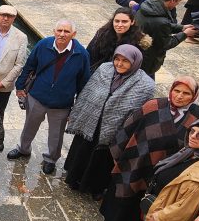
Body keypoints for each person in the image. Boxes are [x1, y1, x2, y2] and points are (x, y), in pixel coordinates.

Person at [102, 76, 199, 221]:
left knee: (150, 201)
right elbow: (128, 128)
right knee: (128, 192)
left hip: (166, 172)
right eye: (176, 91)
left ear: (194, 96)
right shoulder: (152, 106)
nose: (179, 96)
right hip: (137, 161)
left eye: (186, 93)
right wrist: (121, 155)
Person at [63, 45, 154, 196]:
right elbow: (88, 92)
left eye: (125, 61)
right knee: (82, 152)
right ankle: (74, 178)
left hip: (116, 129)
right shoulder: (105, 68)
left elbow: (137, 113)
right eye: (117, 59)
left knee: (102, 160)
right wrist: (77, 112)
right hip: (91, 120)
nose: (119, 64)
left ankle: (94, 188)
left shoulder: (145, 84)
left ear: (135, 62)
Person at [9, 20, 91, 175]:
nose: (62, 34)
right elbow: (29, 65)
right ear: (54, 31)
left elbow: (84, 82)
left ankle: (51, 159)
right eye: (59, 30)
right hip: (37, 96)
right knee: (29, 126)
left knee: (56, 134)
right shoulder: (43, 45)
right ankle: (23, 149)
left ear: (73, 34)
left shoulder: (81, 54)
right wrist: (19, 86)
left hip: (62, 103)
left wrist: (76, 108)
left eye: (66, 31)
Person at [134, 0, 197, 77]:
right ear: (173, 0)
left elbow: (157, 25)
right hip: (148, 60)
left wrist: (181, 27)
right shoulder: (160, 20)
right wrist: (184, 34)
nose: (178, 4)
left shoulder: (150, 5)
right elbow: (166, 44)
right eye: (179, 1)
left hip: (138, 53)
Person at [85, 8, 150, 73]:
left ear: (132, 22)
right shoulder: (102, 34)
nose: (119, 25)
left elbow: (139, 66)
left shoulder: (138, 42)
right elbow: (89, 54)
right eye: (117, 21)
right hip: (97, 72)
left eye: (124, 21)